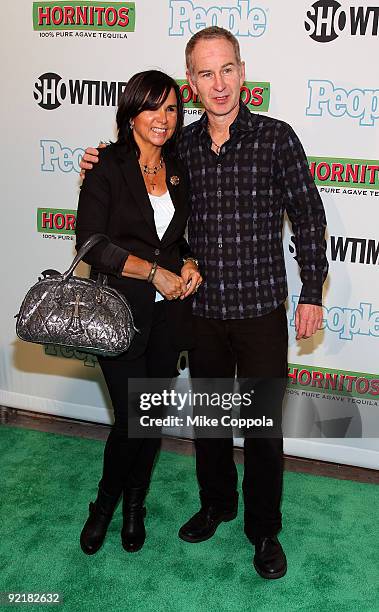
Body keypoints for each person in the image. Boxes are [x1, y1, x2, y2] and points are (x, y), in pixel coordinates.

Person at [80, 27, 328, 578]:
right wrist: (97, 161)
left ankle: (264, 530)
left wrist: (312, 291)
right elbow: (144, 199)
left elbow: (309, 217)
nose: (219, 84)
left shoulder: (276, 138)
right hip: (200, 313)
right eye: (206, 74)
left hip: (261, 309)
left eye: (228, 70)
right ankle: (217, 504)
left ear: (243, 72)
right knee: (212, 424)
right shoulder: (180, 148)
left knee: (262, 428)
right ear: (191, 83)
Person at [75, 69, 202, 556]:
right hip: (117, 315)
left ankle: (134, 506)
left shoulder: (178, 169)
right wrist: (152, 273)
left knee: (148, 418)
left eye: (171, 108)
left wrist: (190, 260)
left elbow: (175, 237)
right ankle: (103, 507)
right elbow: (91, 244)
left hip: (168, 318)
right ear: (131, 113)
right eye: (153, 107)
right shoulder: (107, 166)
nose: (163, 118)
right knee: (132, 417)